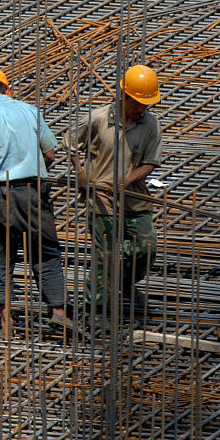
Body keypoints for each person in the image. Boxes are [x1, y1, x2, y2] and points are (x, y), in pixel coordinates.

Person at [0, 67, 71, 332]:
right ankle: (58, 311)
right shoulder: (30, 111)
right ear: (6, 89)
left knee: (2, 255)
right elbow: (51, 153)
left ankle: (6, 319)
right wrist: (35, 171)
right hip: (33, 192)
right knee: (45, 251)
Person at [64, 65, 163, 315]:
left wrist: (127, 182)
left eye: (146, 104)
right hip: (101, 201)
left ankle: (124, 283)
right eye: (138, 102)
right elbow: (70, 143)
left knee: (146, 247)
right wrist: (81, 172)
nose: (142, 108)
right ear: (125, 96)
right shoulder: (97, 119)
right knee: (105, 255)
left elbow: (150, 162)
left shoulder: (151, 125)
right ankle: (94, 308)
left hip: (135, 201)